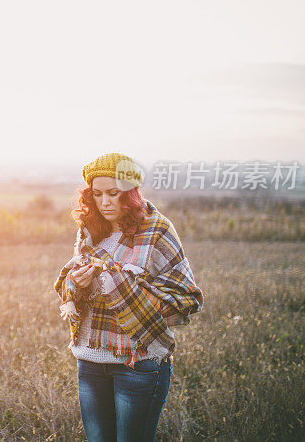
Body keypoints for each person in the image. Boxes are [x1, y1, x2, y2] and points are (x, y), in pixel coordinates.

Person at [53, 152, 204, 442]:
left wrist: (122, 287)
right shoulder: (89, 230)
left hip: (140, 362)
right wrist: (77, 283)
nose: (105, 202)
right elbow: (73, 289)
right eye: (97, 194)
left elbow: (188, 298)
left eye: (113, 193)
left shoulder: (156, 230)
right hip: (90, 359)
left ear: (131, 193)